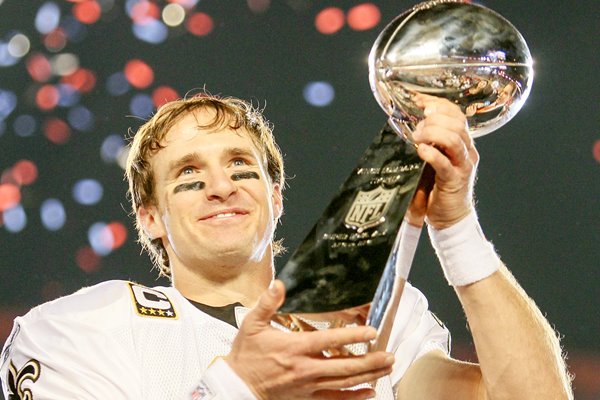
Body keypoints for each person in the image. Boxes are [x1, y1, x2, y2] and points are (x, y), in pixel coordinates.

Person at [0, 93, 572, 399]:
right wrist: (238, 386)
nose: (221, 186)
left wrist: (456, 227)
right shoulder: (72, 330)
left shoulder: (372, 313)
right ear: (149, 217)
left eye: (241, 168)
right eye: (189, 177)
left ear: (276, 196)